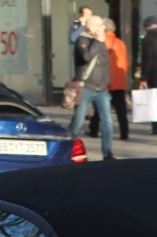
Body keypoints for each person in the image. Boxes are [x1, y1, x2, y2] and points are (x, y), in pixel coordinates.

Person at [67, 15, 115, 160]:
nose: (103, 28)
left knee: (107, 122)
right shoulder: (81, 40)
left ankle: (107, 153)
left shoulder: (101, 42)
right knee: (78, 120)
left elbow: (105, 63)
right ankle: (66, 146)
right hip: (86, 87)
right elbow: (86, 57)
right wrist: (96, 41)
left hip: (101, 88)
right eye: (100, 25)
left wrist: (106, 82)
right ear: (91, 28)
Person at [89, 19, 129, 141]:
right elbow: (125, 62)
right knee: (121, 110)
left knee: (100, 108)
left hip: (104, 80)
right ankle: (124, 132)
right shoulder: (120, 43)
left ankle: (93, 130)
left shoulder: (100, 42)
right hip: (119, 81)